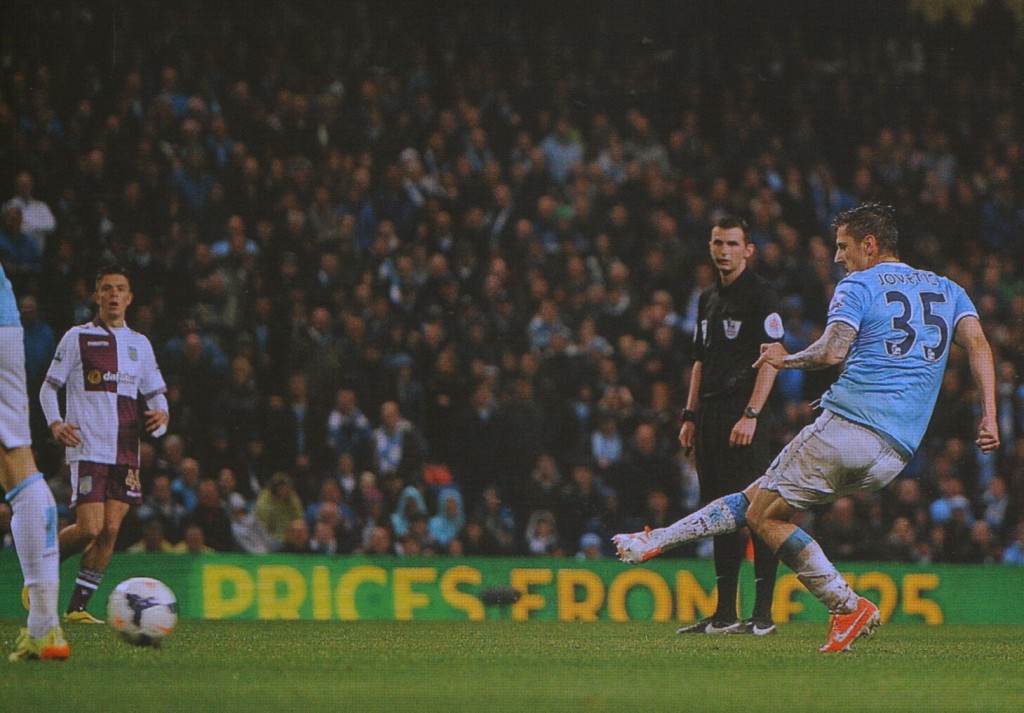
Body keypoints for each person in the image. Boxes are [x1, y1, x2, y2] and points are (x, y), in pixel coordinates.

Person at [614, 204, 999, 653]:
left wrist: (785, 358)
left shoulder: (858, 284)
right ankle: (656, 539)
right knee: (759, 500)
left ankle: (845, 603)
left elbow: (833, 351)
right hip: (895, 455)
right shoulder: (948, 289)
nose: (838, 257)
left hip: (849, 428)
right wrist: (988, 415)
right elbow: (978, 344)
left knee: (760, 514)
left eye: (843, 246)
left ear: (869, 245)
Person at [40, 264, 169, 624]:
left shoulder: (140, 344)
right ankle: (39, 573)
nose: (114, 295)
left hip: (126, 449)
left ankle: (77, 609)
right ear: (97, 296)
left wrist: (163, 416)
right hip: (89, 446)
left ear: (129, 298)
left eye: (120, 289)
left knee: (112, 528)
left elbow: (157, 393)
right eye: (107, 288)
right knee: (90, 528)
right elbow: (49, 387)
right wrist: (55, 423)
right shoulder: (77, 337)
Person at [676, 216, 782, 636]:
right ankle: (723, 614)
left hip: (744, 414)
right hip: (710, 416)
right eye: (718, 243)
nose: (724, 250)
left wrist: (752, 415)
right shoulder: (707, 299)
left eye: (732, 243)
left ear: (748, 249)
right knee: (719, 513)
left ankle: (763, 615)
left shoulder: (761, 295)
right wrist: (689, 415)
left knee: (759, 513)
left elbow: (773, 356)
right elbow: (699, 361)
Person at [2, 263, 69, 661]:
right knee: (18, 470)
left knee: (19, 472)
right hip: (4, 324)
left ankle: (45, 624)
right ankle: (43, 627)